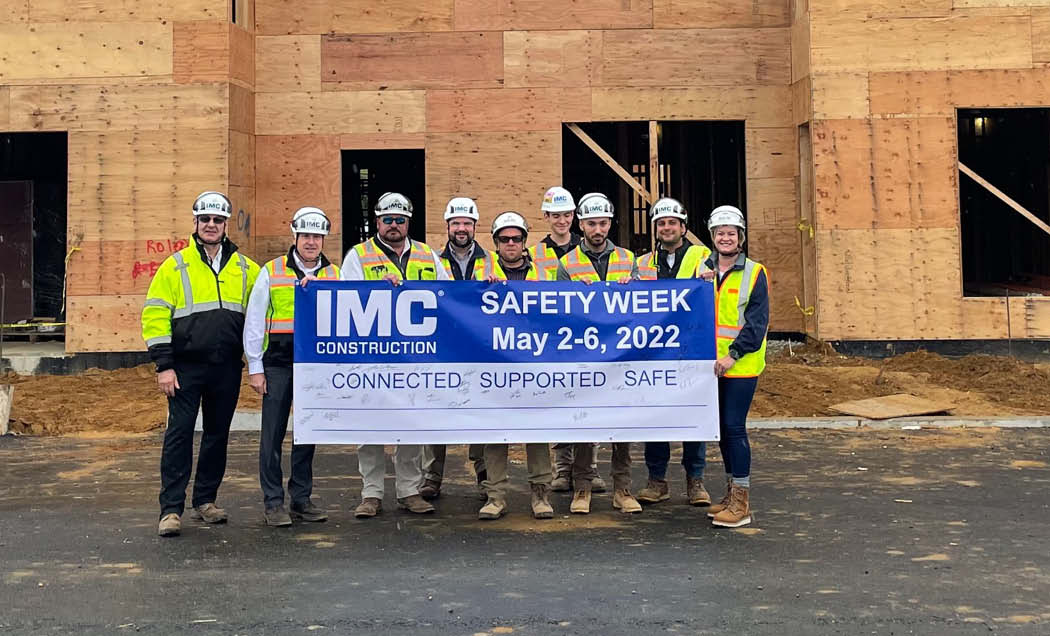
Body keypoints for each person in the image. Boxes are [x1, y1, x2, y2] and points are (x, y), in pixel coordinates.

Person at [142, 191, 261, 537]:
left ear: (225, 225)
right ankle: (171, 510)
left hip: (226, 367)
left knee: (216, 436)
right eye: (205, 219)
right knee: (179, 435)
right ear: (195, 223)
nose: (211, 225)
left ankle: (206, 500)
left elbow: (263, 313)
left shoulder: (246, 268)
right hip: (184, 368)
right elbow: (154, 315)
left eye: (218, 220)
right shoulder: (175, 266)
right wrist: (164, 365)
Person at [341, 192, 449, 518]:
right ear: (377, 222)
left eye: (399, 220)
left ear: (408, 222)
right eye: (387, 220)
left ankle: (409, 491)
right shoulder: (358, 256)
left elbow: (448, 298)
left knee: (411, 426)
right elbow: (345, 302)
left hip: (415, 358)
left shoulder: (428, 256)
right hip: (372, 357)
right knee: (369, 427)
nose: (393, 226)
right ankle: (371, 494)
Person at [243, 207, 339, 527]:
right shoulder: (272, 271)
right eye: (306, 236)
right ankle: (273, 502)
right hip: (278, 364)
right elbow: (255, 321)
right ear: (294, 236)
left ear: (324, 239)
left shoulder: (334, 274)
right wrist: (255, 366)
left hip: (314, 365)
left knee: (306, 433)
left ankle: (301, 498)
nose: (311, 242)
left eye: (317, 236)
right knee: (272, 435)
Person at [557, 192, 642, 515]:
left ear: (610, 224)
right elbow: (562, 310)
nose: (598, 229)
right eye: (592, 223)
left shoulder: (627, 258)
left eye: (603, 223)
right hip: (584, 354)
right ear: (581, 225)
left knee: (622, 424)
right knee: (585, 423)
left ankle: (623, 488)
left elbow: (639, 306)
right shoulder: (568, 264)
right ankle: (582, 488)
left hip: (621, 356)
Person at [475, 212, 559, 519]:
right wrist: (481, 289)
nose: (511, 244)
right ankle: (495, 496)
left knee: (537, 432)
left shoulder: (544, 274)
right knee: (496, 434)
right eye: (504, 239)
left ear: (524, 242)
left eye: (516, 239)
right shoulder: (481, 273)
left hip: (534, 366)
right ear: (496, 243)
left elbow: (567, 307)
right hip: (495, 367)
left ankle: (541, 495)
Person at [634, 198, 714, 507]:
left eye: (672, 223)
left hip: (691, 350)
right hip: (654, 352)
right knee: (657, 418)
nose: (666, 228)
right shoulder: (642, 263)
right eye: (661, 223)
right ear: (655, 228)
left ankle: (696, 481)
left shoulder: (703, 257)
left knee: (694, 414)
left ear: (683, 227)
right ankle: (657, 481)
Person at [528, 186, 605, 494]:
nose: (561, 221)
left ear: (575, 217)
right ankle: (562, 469)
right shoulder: (534, 253)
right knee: (560, 402)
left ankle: (590, 468)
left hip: (588, 334)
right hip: (551, 337)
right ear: (546, 217)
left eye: (566, 215)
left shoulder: (588, 246)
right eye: (555, 215)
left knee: (590, 403)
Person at [421, 197, 492, 501]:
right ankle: (431, 477)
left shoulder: (491, 260)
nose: (461, 228)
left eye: (467, 223)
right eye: (456, 223)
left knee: (481, 414)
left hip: (480, 349)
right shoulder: (431, 261)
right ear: (447, 226)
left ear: (475, 227)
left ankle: (484, 475)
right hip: (444, 349)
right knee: (437, 413)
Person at [702, 205, 769, 528]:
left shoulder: (755, 273)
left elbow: (756, 324)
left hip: (740, 366)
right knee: (722, 434)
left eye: (731, 233)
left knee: (733, 428)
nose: (725, 238)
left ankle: (741, 501)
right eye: (720, 233)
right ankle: (731, 493)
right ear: (712, 237)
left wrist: (733, 355)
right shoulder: (703, 270)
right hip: (711, 367)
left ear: (740, 238)